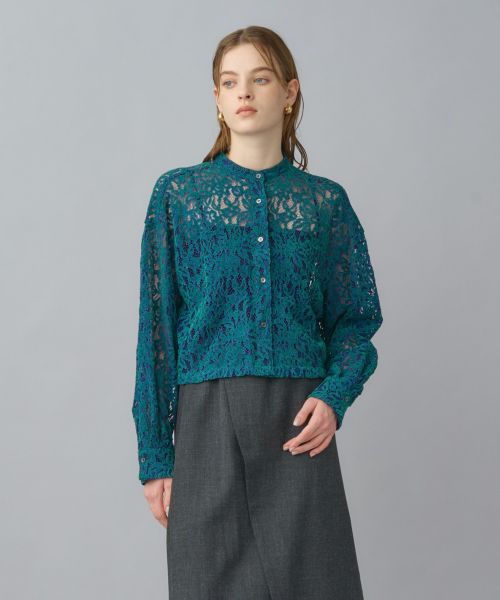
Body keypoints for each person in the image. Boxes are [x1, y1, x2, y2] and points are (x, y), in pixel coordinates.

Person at [132, 25, 383, 600]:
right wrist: (156, 457)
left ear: (289, 92)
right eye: (229, 82)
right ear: (217, 99)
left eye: (260, 78)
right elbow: (155, 335)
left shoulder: (324, 203)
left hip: (299, 422)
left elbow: (356, 322)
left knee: (318, 586)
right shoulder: (179, 196)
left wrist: (334, 397)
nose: (243, 92)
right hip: (206, 425)